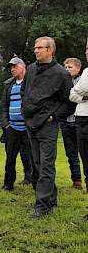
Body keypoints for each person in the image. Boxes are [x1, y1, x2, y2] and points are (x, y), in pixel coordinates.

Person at [21, 36, 75, 218]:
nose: (35, 50)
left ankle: (42, 205)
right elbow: (24, 92)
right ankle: (51, 198)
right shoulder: (30, 69)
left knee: (46, 165)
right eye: (35, 47)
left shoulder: (61, 74)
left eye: (39, 48)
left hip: (48, 125)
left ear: (50, 50)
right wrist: (24, 110)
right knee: (37, 163)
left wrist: (54, 117)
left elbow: (69, 102)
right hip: (30, 123)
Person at [0, 57, 32, 191]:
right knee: (10, 158)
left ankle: (31, 179)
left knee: (29, 156)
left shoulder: (31, 82)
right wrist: (6, 125)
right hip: (12, 127)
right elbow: (3, 107)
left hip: (27, 128)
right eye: (10, 67)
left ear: (23, 66)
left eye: (15, 66)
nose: (12, 69)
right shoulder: (8, 85)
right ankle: (8, 184)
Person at [70, 40, 88, 195]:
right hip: (80, 118)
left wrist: (80, 91)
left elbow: (82, 88)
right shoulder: (87, 72)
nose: (87, 52)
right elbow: (72, 94)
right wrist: (84, 97)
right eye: (87, 48)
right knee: (85, 161)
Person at [61, 58, 82, 189]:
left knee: (84, 151)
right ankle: (76, 180)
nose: (67, 70)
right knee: (71, 153)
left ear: (78, 69)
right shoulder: (62, 82)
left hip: (80, 121)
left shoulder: (82, 82)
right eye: (66, 67)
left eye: (70, 67)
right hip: (65, 122)